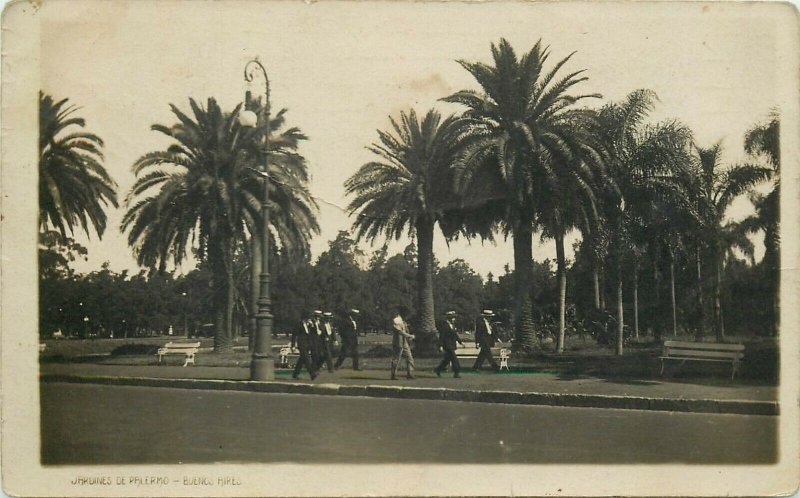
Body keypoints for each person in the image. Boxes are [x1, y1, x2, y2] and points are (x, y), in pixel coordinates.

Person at [435, 310, 464, 378]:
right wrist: (440, 345)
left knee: (447, 360)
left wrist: (460, 342)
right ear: (449, 318)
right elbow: (442, 336)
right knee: (454, 359)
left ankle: (438, 369)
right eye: (453, 317)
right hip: (447, 345)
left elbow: (455, 335)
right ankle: (456, 372)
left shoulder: (452, 326)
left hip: (452, 344)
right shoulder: (444, 325)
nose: (454, 319)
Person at [390, 306, 416, 380]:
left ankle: (410, 373)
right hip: (398, 342)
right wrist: (409, 336)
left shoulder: (403, 321)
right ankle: (393, 374)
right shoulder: (397, 320)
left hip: (404, 342)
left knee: (409, 357)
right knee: (396, 358)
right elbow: (400, 331)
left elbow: (405, 330)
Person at [291, 311, 318, 380]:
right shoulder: (298, 324)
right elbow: (294, 335)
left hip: (308, 344)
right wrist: (293, 345)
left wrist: (313, 325)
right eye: (307, 318)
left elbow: (315, 333)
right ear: (304, 318)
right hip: (301, 344)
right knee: (306, 359)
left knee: (302, 359)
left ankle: (295, 374)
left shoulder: (310, 325)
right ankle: (312, 374)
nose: (309, 320)